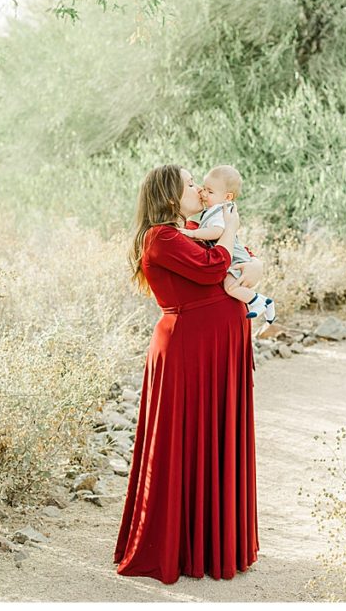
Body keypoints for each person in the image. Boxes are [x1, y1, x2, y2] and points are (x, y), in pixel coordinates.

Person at [115, 165, 261, 584]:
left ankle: (214, 546)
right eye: (189, 184)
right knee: (186, 440)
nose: (198, 188)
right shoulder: (161, 237)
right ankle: (179, 546)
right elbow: (214, 268)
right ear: (169, 196)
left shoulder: (193, 228)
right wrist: (230, 236)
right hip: (189, 351)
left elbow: (241, 262)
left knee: (214, 438)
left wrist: (255, 264)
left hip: (215, 348)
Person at [179, 164, 276, 322]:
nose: (202, 193)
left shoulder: (222, 210)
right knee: (232, 286)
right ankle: (263, 302)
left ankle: (260, 302)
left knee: (231, 287)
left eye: (210, 192)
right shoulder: (215, 210)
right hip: (232, 254)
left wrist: (193, 234)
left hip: (235, 256)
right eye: (204, 188)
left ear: (228, 197)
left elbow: (217, 231)